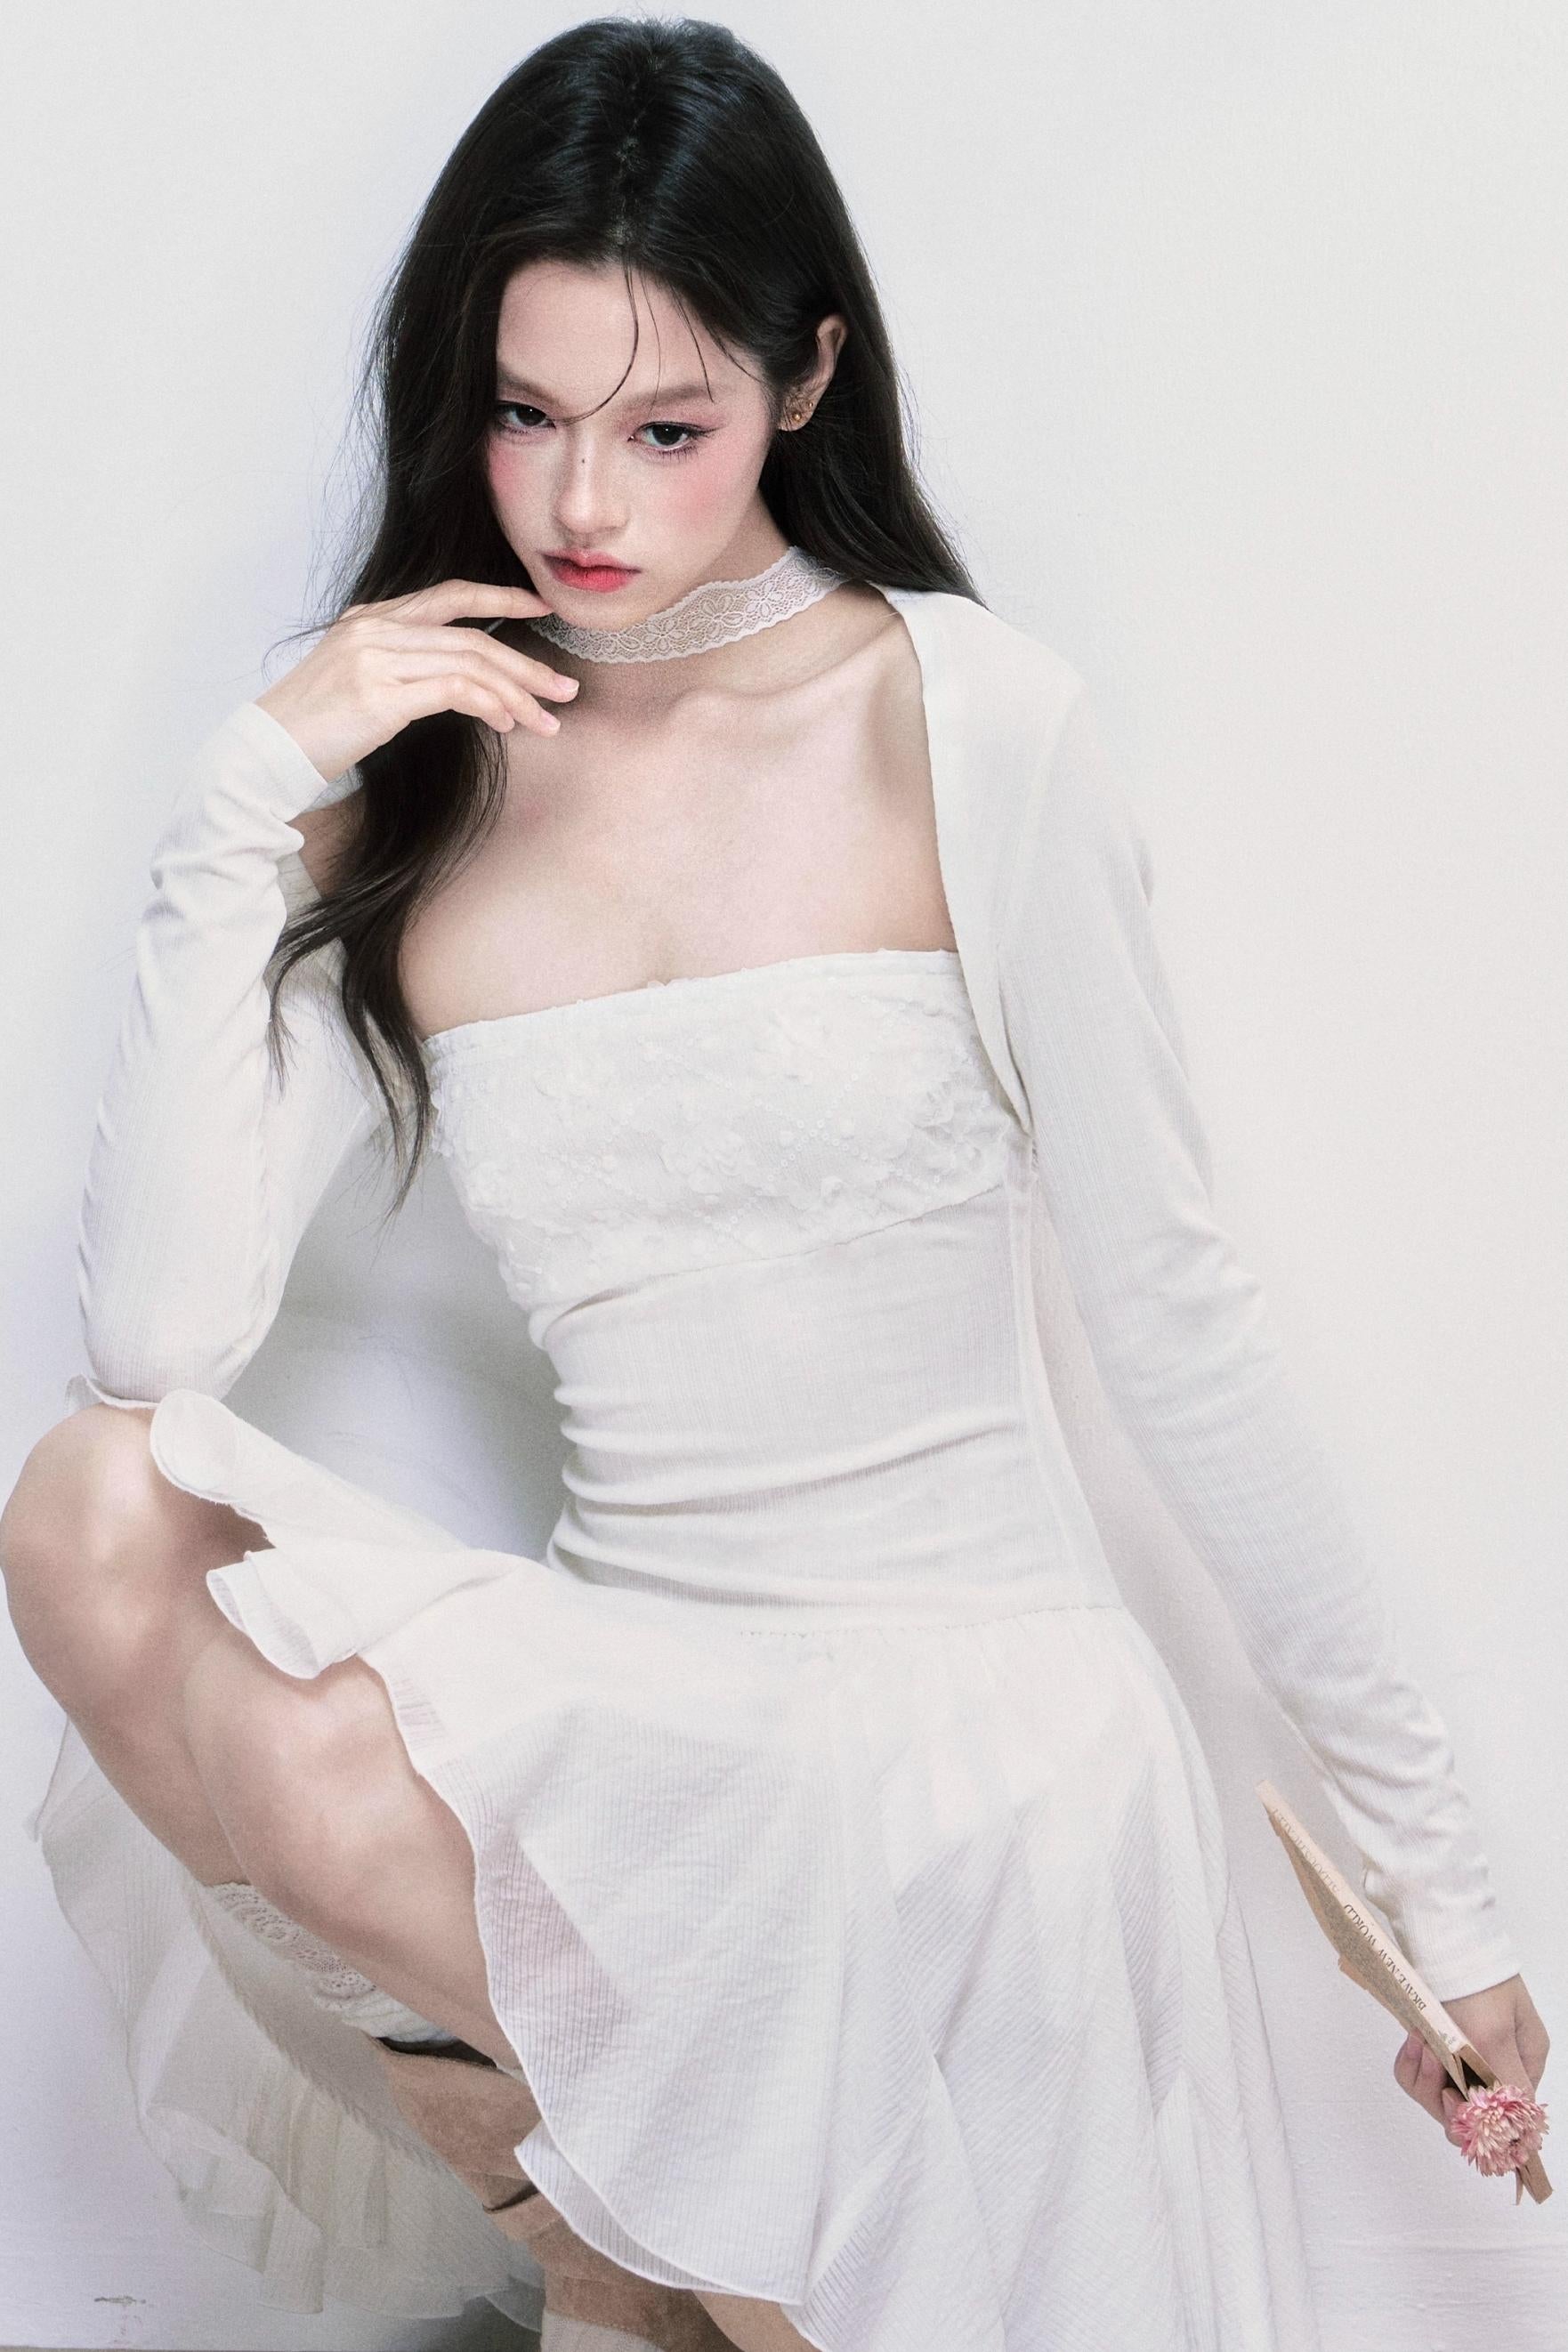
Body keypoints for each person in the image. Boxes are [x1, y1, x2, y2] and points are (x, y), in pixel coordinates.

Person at [0, 17, 1546, 2352]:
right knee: (88, 1506)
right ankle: (594, 2191)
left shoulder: (963, 717)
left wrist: (1444, 1898)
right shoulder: (423, 771)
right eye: (523, 412)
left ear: (806, 378)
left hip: (964, 1735)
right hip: (649, 1747)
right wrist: (241, 800)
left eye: (664, 427)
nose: (579, 502)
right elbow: (154, 1341)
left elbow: (1184, 1331)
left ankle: (630, 2225)